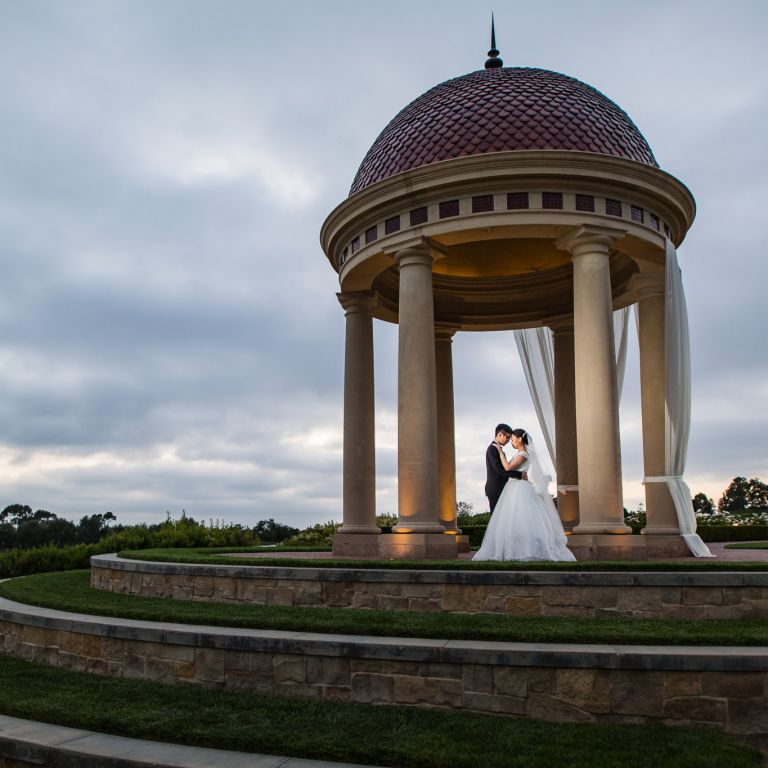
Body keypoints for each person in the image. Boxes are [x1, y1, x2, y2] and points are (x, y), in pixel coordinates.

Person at [474, 428, 575, 562]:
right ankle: (510, 549)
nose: (511, 441)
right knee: (510, 521)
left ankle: (525, 550)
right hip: (512, 487)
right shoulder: (518, 453)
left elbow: (508, 468)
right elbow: (507, 467)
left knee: (521, 519)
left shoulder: (524, 454)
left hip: (519, 488)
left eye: (513, 438)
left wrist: (500, 452)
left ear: (520, 439)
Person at [485, 424, 526, 513]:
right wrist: (519, 475)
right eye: (507, 437)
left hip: (501, 488)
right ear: (500, 434)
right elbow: (499, 470)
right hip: (495, 488)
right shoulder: (492, 449)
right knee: (496, 519)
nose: (508, 440)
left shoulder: (498, 449)